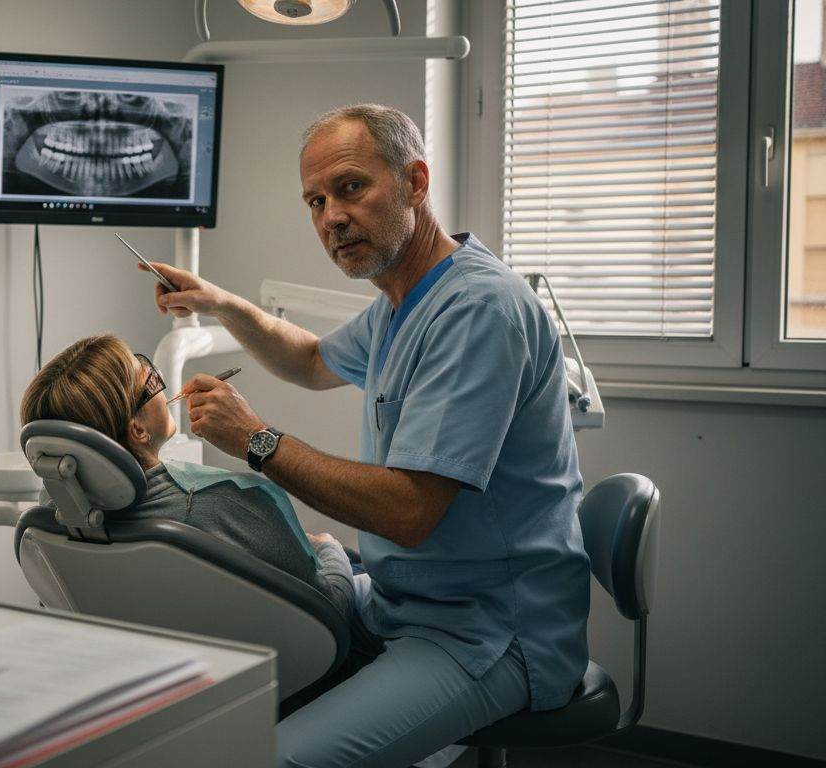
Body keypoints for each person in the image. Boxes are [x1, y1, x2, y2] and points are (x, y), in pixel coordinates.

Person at [147, 104, 591, 768]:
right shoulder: (401, 302)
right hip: (403, 601)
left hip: (488, 630)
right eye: (316, 201)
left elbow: (409, 512)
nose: (330, 217)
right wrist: (224, 304)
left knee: (274, 758)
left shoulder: (477, 311)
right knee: (224, 696)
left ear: (415, 182)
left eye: (351, 188)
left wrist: (257, 441)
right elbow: (311, 360)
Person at [18, 332, 356, 623]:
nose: (161, 379)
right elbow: (334, 610)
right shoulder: (234, 506)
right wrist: (329, 549)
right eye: (150, 380)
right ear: (137, 429)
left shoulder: (57, 517)